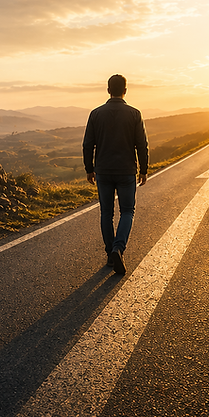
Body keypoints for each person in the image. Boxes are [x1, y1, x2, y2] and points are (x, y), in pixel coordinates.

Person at [82, 74, 149, 275]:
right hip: (126, 170)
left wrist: (89, 169)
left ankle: (110, 253)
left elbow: (87, 144)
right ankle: (118, 248)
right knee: (127, 211)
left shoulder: (95, 114)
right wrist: (144, 169)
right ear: (125, 91)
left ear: (108, 90)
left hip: (103, 170)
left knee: (106, 213)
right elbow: (141, 144)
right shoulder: (135, 114)